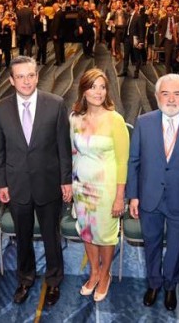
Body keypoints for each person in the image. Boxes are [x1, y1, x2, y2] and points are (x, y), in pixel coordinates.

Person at [0, 55, 71, 306]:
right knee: (22, 236)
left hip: (49, 183)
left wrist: (66, 180)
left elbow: (63, 147)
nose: (26, 81)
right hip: (17, 186)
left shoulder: (56, 104)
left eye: (30, 75)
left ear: (37, 76)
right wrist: (2, 183)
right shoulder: (1, 109)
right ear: (12, 80)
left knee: (51, 236)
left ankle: (54, 280)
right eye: (20, 77)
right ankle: (25, 279)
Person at [127, 73, 179, 309]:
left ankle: (170, 286)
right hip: (149, 198)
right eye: (166, 93)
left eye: (177, 94)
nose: (171, 99)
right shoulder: (143, 122)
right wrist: (133, 195)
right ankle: (153, 283)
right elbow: (134, 162)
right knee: (151, 243)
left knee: (176, 247)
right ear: (156, 96)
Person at [69, 68, 129, 302]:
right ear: (83, 90)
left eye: (102, 87)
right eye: (93, 86)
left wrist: (119, 196)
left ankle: (105, 274)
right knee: (87, 231)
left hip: (106, 189)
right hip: (81, 187)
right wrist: (72, 186)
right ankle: (94, 271)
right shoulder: (75, 118)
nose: (98, 92)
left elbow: (123, 161)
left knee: (105, 234)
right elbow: (73, 153)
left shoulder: (115, 120)